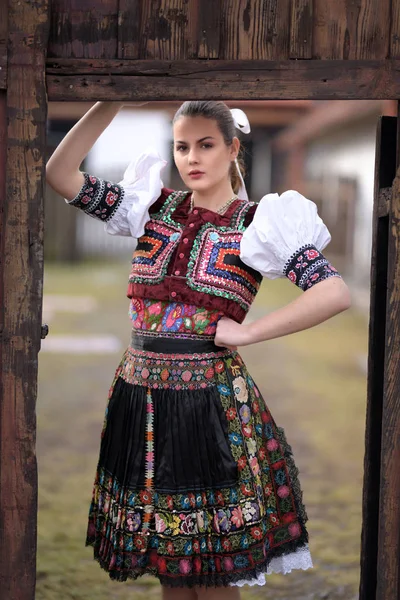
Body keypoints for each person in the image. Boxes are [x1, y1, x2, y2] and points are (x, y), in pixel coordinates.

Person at [46, 100, 351, 599]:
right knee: (170, 568)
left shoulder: (258, 223)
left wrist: (249, 333)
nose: (193, 157)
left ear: (232, 148)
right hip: (141, 400)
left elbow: (334, 292)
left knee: (210, 574)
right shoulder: (151, 210)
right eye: (182, 146)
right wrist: (112, 99)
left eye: (206, 145)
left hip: (208, 408)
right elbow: (60, 174)